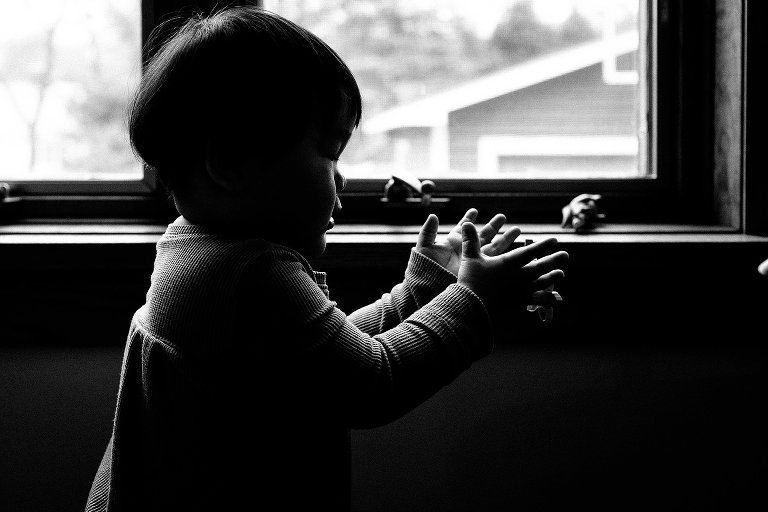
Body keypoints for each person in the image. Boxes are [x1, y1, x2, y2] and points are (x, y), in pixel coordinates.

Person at [85, 5, 569, 511]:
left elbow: (324, 358)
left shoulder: (199, 249)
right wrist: (474, 301)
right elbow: (371, 384)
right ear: (229, 164)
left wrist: (424, 288)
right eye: (329, 151)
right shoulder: (250, 272)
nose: (341, 179)